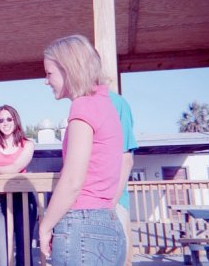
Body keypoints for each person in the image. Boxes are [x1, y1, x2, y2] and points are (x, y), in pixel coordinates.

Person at [39, 34, 126, 265]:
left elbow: (72, 181)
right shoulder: (105, 104)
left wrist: (45, 226)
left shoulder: (82, 107)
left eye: (49, 73)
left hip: (81, 225)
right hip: (108, 222)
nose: (46, 81)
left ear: (69, 69)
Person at [0, 104, 37, 266]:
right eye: (0, 120)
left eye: (9, 119)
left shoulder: (28, 144)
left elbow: (15, 167)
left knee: (23, 251)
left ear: (16, 120)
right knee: (0, 252)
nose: (5, 123)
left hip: (24, 201)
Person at [110, 92, 138, 266]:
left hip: (114, 203)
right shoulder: (79, 106)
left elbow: (126, 159)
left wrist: (111, 204)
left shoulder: (116, 103)